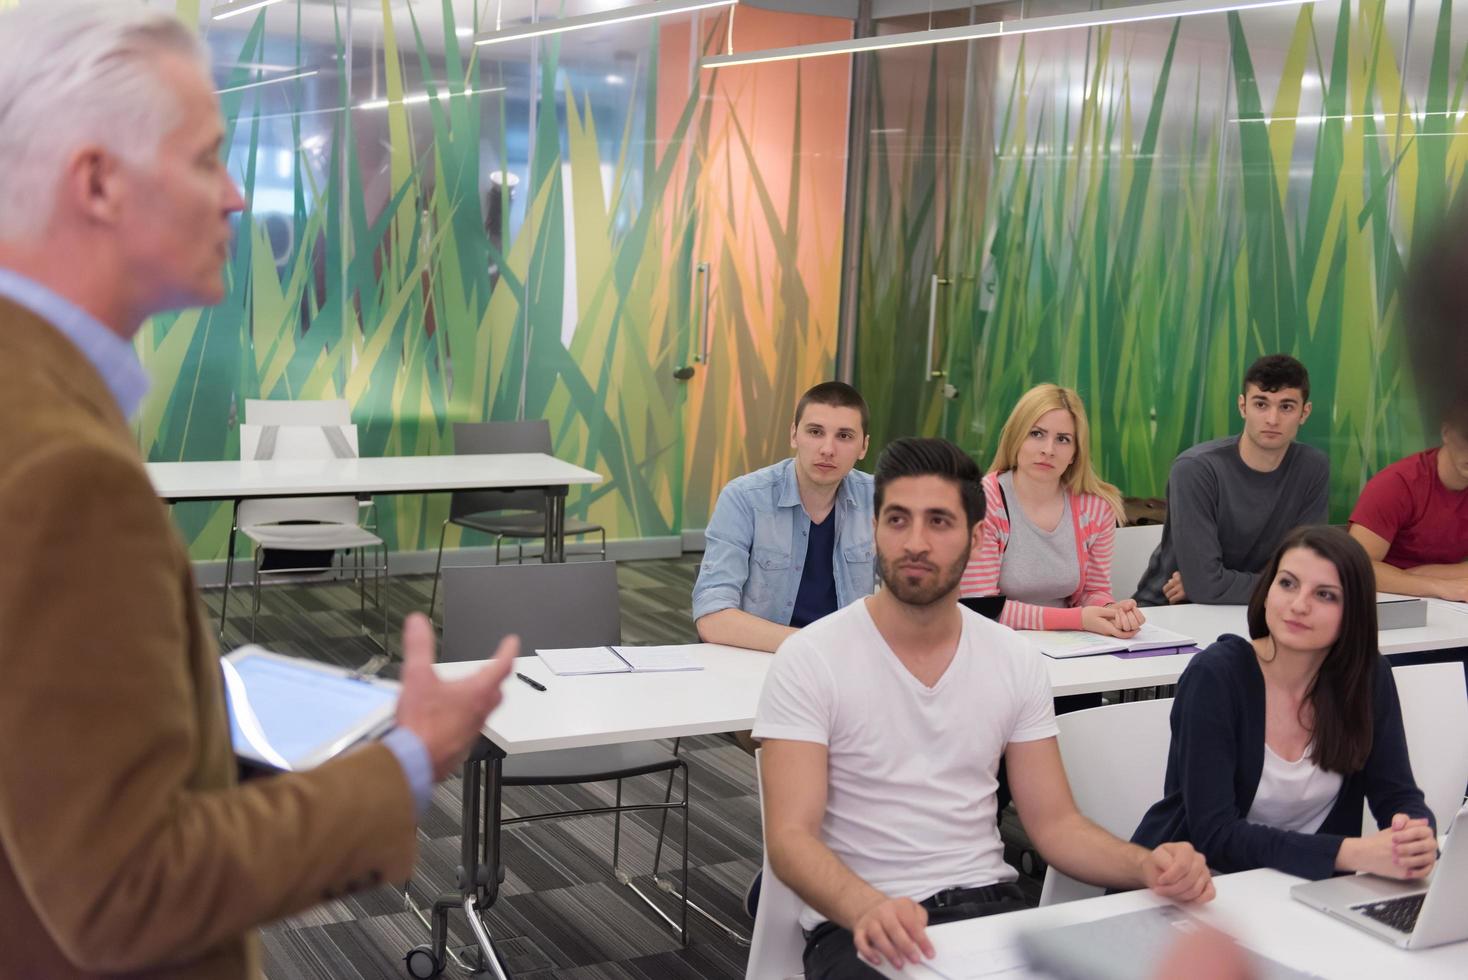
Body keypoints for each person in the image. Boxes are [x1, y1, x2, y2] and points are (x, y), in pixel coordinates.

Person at [0, 6, 517, 978]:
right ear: (98, 181)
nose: (236, 196)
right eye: (205, 159)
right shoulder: (64, 470)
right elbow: (125, 888)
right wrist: (407, 759)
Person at [756, 438, 1214, 980]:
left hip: (990, 910)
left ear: (977, 537)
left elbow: (1056, 825)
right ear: (873, 528)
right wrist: (864, 908)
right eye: (897, 520)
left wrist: (1148, 865)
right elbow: (790, 838)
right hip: (862, 924)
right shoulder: (812, 657)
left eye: (939, 522)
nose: (916, 542)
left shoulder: (1012, 658)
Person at [1132, 526, 1437, 880]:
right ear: (1267, 589)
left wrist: (1415, 835)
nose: (1298, 605)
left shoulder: (1367, 677)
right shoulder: (1216, 675)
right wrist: (1350, 853)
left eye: (1325, 595)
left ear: (1353, 612)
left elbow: (1396, 793)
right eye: (1287, 583)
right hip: (1199, 887)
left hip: (1307, 894)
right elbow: (1214, 835)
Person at [692, 381, 875, 653]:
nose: (827, 449)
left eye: (844, 436)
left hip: (849, 666)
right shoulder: (745, 498)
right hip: (764, 659)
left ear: (863, 446)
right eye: (815, 432)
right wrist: (817, 646)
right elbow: (712, 617)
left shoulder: (881, 500)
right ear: (794, 435)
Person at [1134, 355, 1330, 606]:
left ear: (1305, 412)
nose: (1272, 419)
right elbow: (1207, 587)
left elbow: (1309, 572)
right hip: (1170, 613)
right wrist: (1206, 585)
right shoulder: (1196, 469)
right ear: (1242, 406)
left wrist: (1210, 585)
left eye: (1286, 407)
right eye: (1261, 404)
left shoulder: (1313, 467)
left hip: (1261, 612)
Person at [959, 383, 1144, 636]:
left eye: (1063, 439)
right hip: (992, 641)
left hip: (1069, 645)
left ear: (1075, 453)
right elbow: (980, 607)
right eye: (1036, 434)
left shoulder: (1096, 508)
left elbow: (1094, 592)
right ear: (1016, 438)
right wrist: (1077, 619)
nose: (1048, 449)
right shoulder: (983, 502)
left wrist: (1112, 611)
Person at [1347, 421, 1468, 600]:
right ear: (1446, 433)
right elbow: (1354, 567)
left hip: (1453, 598)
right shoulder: (1396, 484)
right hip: (1383, 599)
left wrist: (1422, 575)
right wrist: (1439, 586)